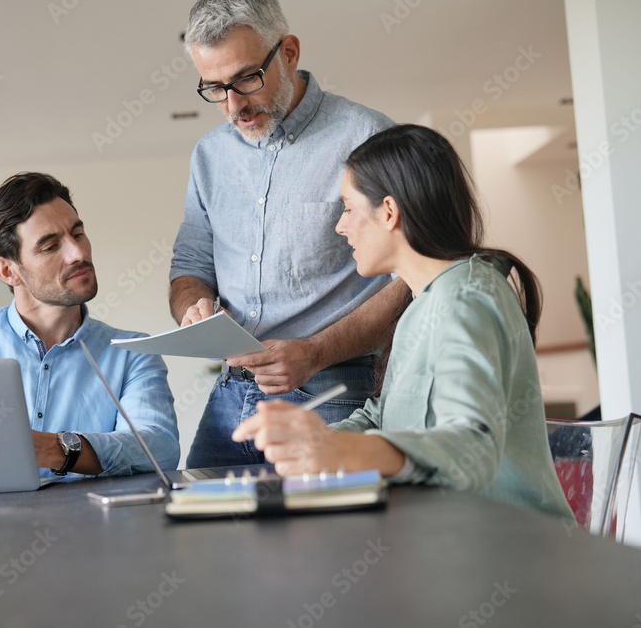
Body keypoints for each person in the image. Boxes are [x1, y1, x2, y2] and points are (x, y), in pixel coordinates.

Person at [233, 125, 575, 519]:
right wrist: (318, 439)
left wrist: (345, 451)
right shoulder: (421, 305)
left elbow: (471, 451)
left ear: (390, 212)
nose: (340, 226)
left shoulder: (465, 300)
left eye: (347, 207)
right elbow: (384, 416)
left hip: (507, 545)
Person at [170, 0, 410, 468]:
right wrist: (191, 309)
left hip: (331, 389)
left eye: (246, 79)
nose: (233, 105)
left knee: (320, 542)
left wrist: (315, 352)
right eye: (215, 89)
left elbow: (408, 275)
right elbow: (190, 263)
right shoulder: (209, 156)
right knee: (207, 535)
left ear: (290, 52)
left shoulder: (366, 137)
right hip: (229, 395)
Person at [0, 172, 180, 479]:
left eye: (78, 234)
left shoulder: (133, 353)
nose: (78, 254)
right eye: (51, 246)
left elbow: (159, 448)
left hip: (94, 524)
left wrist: (53, 449)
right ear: (8, 271)